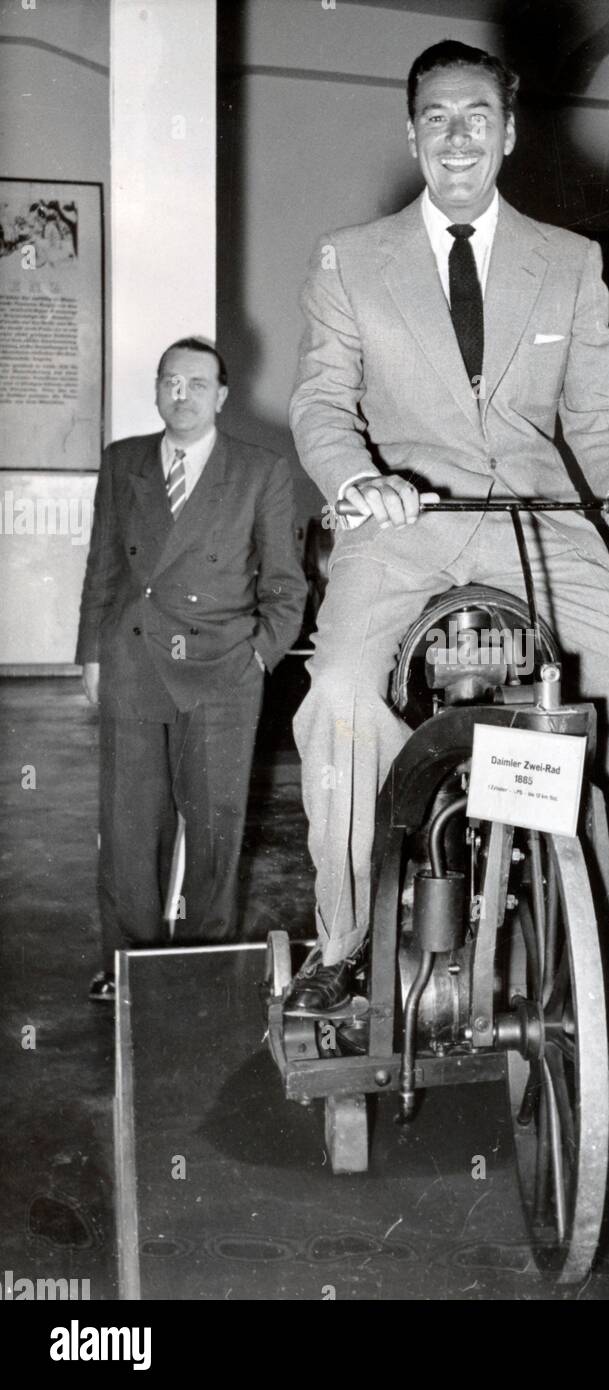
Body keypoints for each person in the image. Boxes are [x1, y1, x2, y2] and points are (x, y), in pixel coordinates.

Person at [287, 40, 609, 1011]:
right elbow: (320, 402)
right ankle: (346, 936)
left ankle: (592, 917)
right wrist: (358, 480)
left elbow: (595, 408)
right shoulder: (351, 256)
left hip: (535, 520)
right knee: (340, 694)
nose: (457, 136)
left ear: (508, 133)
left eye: (476, 116)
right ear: (411, 131)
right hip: (401, 519)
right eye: (436, 116)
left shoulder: (568, 260)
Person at [76, 338, 307, 1001]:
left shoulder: (260, 469)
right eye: (170, 382)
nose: (182, 394)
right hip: (135, 659)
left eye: (197, 383)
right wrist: (92, 652)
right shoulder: (124, 462)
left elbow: (286, 586)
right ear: (156, 391)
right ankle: (126, 964)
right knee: (129, 824)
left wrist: (259, 654)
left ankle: (207, 955)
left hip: (221, 667)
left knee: (213, 825)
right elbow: (103, 569)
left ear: (222, 396)